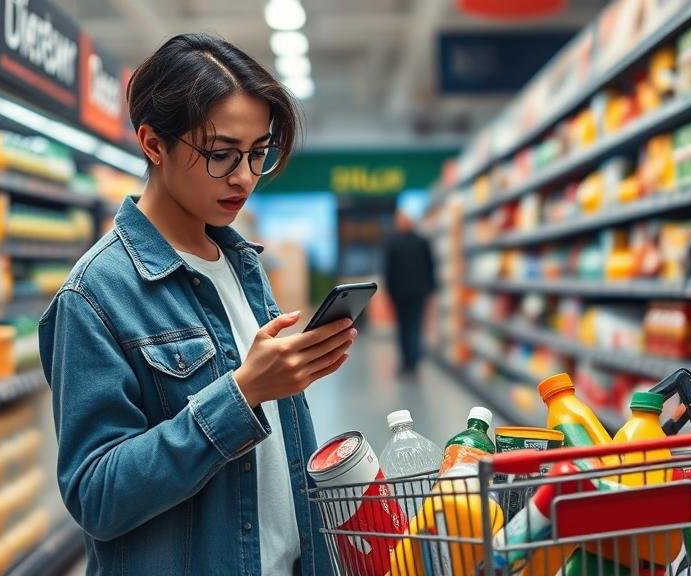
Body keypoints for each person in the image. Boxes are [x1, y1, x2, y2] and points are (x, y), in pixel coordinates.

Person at [38, 34, 352, 576]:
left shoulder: (241, 264)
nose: (244, 177)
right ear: (154, 145)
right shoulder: (95, 294)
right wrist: (243, 393)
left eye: (258, 153)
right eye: (221, 154)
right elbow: (96, 494)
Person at [383, 211, 437, 376]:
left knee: (406, 328)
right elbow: (430, 266)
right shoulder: (421, 241)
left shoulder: (394, 243)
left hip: (403, 293)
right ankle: (411, 362)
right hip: (413, 293)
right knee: (411, 327)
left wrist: (389, 290)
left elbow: (388, 270)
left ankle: (409, 363)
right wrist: (430, 287)